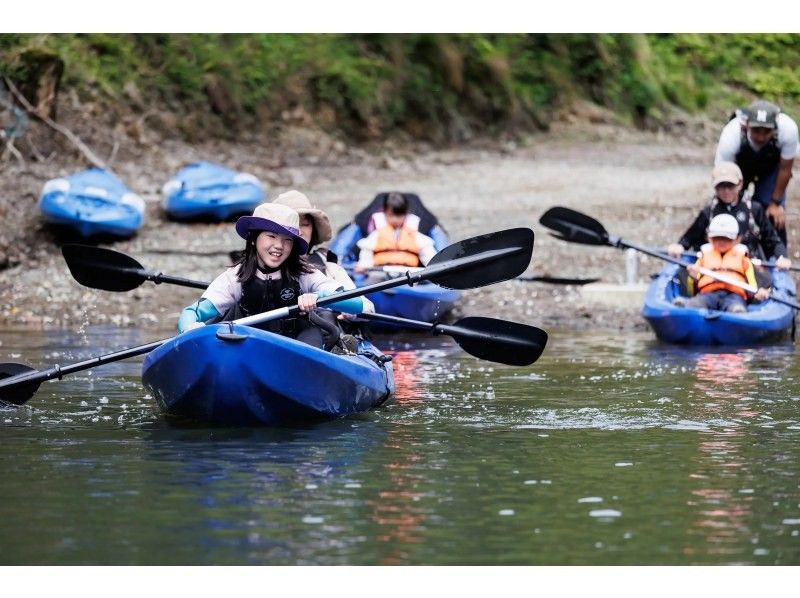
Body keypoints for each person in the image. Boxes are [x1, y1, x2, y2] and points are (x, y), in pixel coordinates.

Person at [176, 202, 366, 353]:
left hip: (298, 343)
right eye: (271, 236)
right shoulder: (235, 277)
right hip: (249, 340)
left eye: (287, 240)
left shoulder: (305, 273)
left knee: (313, 339)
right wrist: (190, 328)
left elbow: (356, 304)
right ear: (253, 238)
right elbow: (193, 312)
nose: (279, 246)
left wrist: (318, 297)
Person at [667, 162, 792, 279]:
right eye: (721, 186)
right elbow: (688, 239)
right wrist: (678, 246)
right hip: (712, 269)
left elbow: (774, 240)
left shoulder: (754, 209)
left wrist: (782, 257)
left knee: (765, 281)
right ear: (715, 187)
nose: (726, 191)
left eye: (730, 186)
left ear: (740, 184)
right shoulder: (708, 212)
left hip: (748, 267)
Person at [273, 189, 374, 315]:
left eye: (305, 224)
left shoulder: (326, 262)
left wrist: (345, 309)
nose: (299, 231)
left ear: (313, 230)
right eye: (292, 223)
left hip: (323, 330)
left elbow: (366, 307)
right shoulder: (256, 265)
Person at [714, 99, 799, 245]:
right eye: (756, 130)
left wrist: (775, 202)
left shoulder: (788, 129)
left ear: (775, 127)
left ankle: (777, 253)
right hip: (739, 168)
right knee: (730, 206)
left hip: (771, 168)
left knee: (772, 212)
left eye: (767, 131)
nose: (761, 136)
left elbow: (785, 169)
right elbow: (723, 174)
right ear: (746, 125)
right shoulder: (731, 134)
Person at [676, 213, 769, 313]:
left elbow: (753, 285)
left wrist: (758, 294)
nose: (721, 242)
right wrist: (693, 278)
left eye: (726, 239)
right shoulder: (703, 257)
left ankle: (737, 314)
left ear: (737, 239)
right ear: (709, 238)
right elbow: (692, 289)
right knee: (698, 302)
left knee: (735, 306)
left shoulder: (744, 259)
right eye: (717, 238)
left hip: (734, 295)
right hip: (708, 294)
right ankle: (687, 306)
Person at [355, 192, 437, 271]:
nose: (395, 219)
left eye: (399, 216)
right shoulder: (377, 233)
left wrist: (433, 267)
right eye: (391, 215)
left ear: (406, 214)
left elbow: (428, 253)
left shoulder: (414, 234)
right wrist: (363, 265)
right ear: (385, 213)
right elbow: (366, 251)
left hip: (408, 275)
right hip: (380, 273)